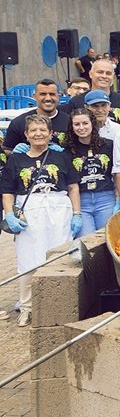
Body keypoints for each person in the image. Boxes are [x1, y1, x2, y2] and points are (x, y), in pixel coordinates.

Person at [1, 115, 81, 325]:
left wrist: (76, 214)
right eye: (33, 130)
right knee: (28, 260)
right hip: (30, 212)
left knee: (59, 259)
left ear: (50, 133)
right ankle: (27, 307)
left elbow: (73, 187)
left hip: (58, 210)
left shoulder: (62, 156)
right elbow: (8, 191)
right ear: (26, 135)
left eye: (42, 130)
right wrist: (9, 214)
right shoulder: (16, 160)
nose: (38, 134)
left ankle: (62, 306)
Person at [65, 108, 117, 236]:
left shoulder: (109, 145)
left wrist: (119, 199)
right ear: (72, 127)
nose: (81, 127)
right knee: (86, 242)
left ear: (92, 124)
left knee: (107, 240)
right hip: (81, 202)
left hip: (106, 199)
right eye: (77, 124)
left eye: (85, 123)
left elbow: (117, 174)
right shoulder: (67, 150)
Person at [4, 80, 71, 153]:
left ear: (58, 96)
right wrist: (15, 153)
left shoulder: (70, 122)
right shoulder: (19, 123)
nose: (48, 98)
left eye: (52, 94)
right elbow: (6, 150)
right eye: (43, 94)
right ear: (35, 97)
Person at [66, 58, 120, 125]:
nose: (104, 76)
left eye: (108, 73)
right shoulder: (75, 102)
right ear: (90, 74)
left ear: (113, 76)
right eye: (100, 72)